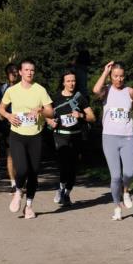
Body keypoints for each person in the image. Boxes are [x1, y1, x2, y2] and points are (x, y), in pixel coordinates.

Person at [0, 59, 54, 219]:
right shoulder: (12, 90)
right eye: (27, 70)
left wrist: (41, 110)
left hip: (35, 136)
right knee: (22, 169)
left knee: (34, 172)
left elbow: (51, 112)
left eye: (32, 70)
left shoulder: (40, 90)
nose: (30, 72)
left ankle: (28, 206)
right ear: (20, 72)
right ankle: (18, 191)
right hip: (17, 135)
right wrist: (8, 115)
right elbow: (1, 108)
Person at [93, 60, 133, 220]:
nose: (119, 79)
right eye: (115, 76)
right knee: (115, 176)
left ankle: (126, 191)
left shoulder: (130, 91)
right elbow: (95, 90)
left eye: (121, 76)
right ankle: (117, 206)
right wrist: (105, 71)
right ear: (111, 76)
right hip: (109, 137)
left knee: (129, 172)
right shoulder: (106, 90)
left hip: (128, 137)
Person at [47, 69, 95, 206]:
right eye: (68, 81)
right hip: (61, 136)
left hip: (76, 136)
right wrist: (50, 121)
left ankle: (67, 194)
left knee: (73, 168)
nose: (71, 83)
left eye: (73, 81)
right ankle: (61, 188)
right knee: (64, 165)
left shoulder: (80, 98)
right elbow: (47, 114)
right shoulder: (55, 99)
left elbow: (92, 117)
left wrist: (81, 115)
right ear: (63, 83)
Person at [0, 63, 20, 195]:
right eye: (12, 72)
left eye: (16, 71)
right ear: (7, 74)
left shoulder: (24, 87)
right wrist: (4, 115)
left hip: (23, 124)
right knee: (11, 154)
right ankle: (13, 183)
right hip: (8, 125)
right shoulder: (3, 89)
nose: (14, 74)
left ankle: (21, 178)